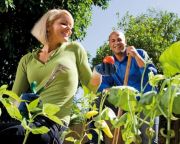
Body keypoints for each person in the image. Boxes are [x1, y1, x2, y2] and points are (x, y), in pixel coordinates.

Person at [0, 9, 101, 144]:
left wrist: (99, 72)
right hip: (29, 119)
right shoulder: (27, 60)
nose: (69, 30)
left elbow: (91, 86)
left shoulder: (74, 49)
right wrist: (22, 104)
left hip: (54, 123)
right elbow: (14, 99)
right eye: (64, 23)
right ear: (48, 25)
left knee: (14, 135)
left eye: (71, 27)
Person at [88, 30, 159, 144]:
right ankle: (94, 141)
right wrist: (106, 89)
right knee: (96, 100)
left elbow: (151, 75)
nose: (116, 42)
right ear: (110, 45)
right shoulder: (110, 63)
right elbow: (104, 84)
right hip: (127, 103)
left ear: (125, 42)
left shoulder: (139, 53)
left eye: (119, 39)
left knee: (148, 140)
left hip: (146, 101)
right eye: (113, 40)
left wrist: (135, 55)